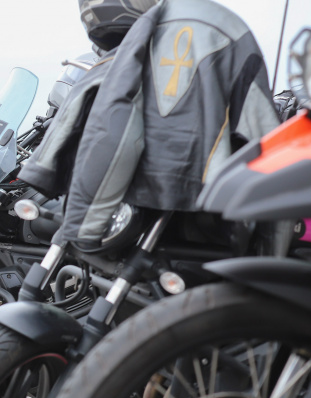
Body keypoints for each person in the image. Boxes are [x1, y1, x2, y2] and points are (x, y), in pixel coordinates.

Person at [20, 0, 280, 248]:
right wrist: (270, 248)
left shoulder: (137, 45)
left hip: (156, 209)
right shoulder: (227, 27)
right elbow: (265, 138)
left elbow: (115, 134)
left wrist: (81, 225)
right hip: (214, 210)